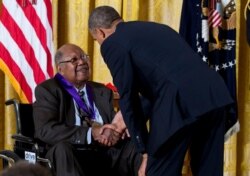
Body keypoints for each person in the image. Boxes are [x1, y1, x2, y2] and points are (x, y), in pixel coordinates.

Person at [88, 6, 235, 176]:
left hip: (180, 103)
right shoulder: (156, 28)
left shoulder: (112, 43)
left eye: (95, 39)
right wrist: (122, 123)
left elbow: (129, 97)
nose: (99, 43)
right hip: (213, 94)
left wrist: (143, 149)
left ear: (101, 32)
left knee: (157, 171)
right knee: (209, 171)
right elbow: (163, 81)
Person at [33, 43, 142, 176]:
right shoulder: (48, 90)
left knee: (135, 144)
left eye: (84, 57)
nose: (82, 62)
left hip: (104, 151)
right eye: (74, 60)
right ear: (60, 69)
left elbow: (112, 122)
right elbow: (45, 130)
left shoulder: (102, 91)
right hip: (72, 151)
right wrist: (91, 133)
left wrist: (117, 130)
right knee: (62, 149)